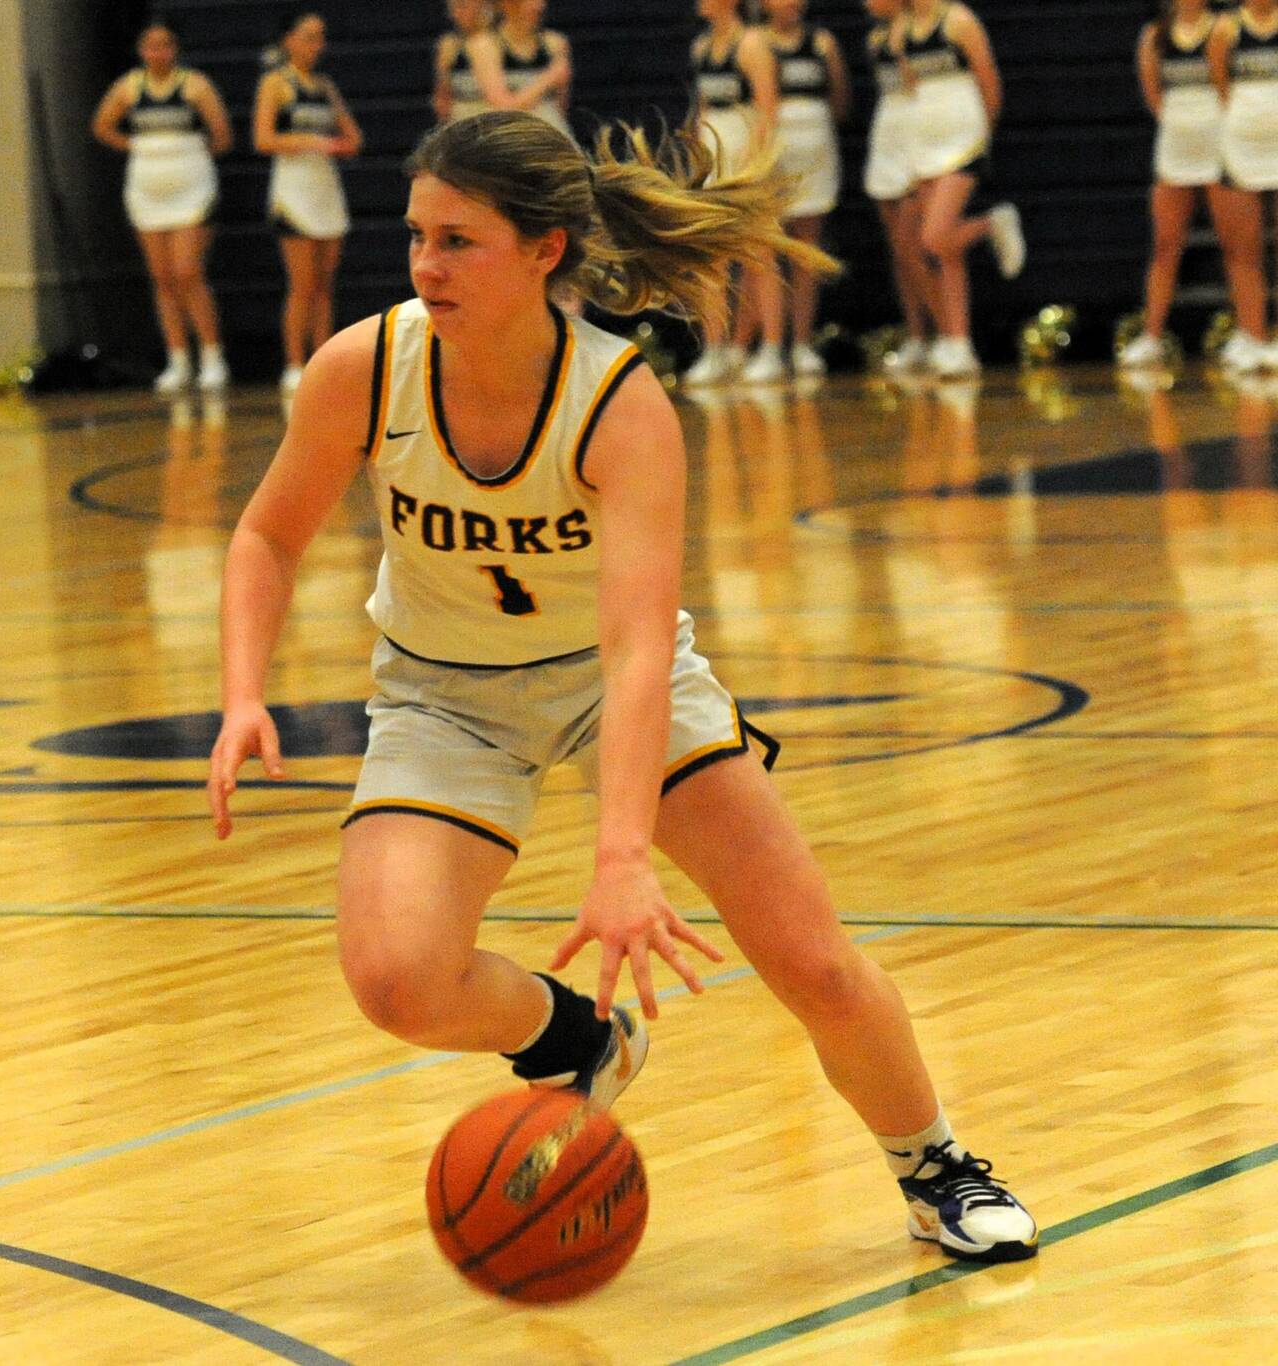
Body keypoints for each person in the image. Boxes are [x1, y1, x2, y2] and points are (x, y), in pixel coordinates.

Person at [207, 109, 1038, 1267]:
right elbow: (266, 534)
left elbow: (637, 646)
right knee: (395, 981)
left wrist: (620, 855)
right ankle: (575, 1039)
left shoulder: (616, 404)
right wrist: (242, 692)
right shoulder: (365, 366)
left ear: (543, 251)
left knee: (808, 960)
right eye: (416, 237)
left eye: (458, 242)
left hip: (610, 684)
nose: (425, 266)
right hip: (441, 692)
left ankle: (933, 1161)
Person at [91, 21, 233, 393]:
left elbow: (222, 135)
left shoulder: (195, 85)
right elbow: (102, 126)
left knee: (188, 272)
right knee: (163, 277)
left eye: (165, 44)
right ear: (141, 50)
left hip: (191, 190)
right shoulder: (128, 87)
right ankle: (178, 359)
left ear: (176, 48)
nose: (158, 52)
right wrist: (138, 147)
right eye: (151, 45)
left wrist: (186, 154)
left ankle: (212, 356)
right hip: (147, 191)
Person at [898, 0, 1026, 380]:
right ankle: (959, 344)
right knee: (942, 251)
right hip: (926, 140)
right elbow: (911, 87)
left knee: (935, 236)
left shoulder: (958, 19)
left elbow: (988, 79)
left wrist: (985, 135)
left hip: (964, 138)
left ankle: (991, 224)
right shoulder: (903, 29)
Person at [254, 10, 363, 395]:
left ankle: (323, 362)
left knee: (325, 285)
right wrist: (312, 142)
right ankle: (294, 364)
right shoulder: (275, 83)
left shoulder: (324, 85)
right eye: (308, 36)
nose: (317, 45)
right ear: (288, 39)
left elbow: (354, 138)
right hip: (293, 188)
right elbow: (263, 139)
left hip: (324, 185)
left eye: (320, 37)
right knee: (302, 284)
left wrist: (340, 145)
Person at [683, 0, 785, 386]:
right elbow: (702, 110)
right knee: (711, 258)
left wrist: (753, 168)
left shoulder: (752, 44)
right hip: (715, 155)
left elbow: (768, 111)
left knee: (760, 255)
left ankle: (771, 349)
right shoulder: (701, 47)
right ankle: (715, 351)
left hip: (746, 157)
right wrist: (698, 160)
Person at [762, 0, 849, 377]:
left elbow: (840, 100)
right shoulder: (757, 43)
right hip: (773, 151)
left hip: (815, 148)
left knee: (806, 248)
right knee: (768, 247)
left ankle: (802, 343)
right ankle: (770, 346)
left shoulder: (821, 42)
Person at [863, 0, 938, 374]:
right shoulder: (875, 37)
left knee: (917, 245)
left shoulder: (918, 29)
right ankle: (918, 336)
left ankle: (948, 333)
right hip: (887, 130)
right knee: (899, 249)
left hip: (918, 128)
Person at [1211, 0, 1278, 372]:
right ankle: (1253, 336)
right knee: (1244, 247)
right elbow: (1220, 84)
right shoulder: (1226, 28)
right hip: (1242, 146)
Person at [464, 0, 573, 138]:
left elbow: (561, 103)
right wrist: (548, 78)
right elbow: (502, 106)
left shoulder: (555, 42)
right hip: (509, 132)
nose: (538, 6)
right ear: (507, 4)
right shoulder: (483, 45)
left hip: (550, 129)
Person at [432, 0, 496, 125]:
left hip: (496, 120)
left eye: (462, 6)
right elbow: (442, 96)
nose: (456, 14)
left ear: (483, 5)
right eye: (453, 9)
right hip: (462, 124)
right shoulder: (449, 45)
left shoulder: (501, 42)